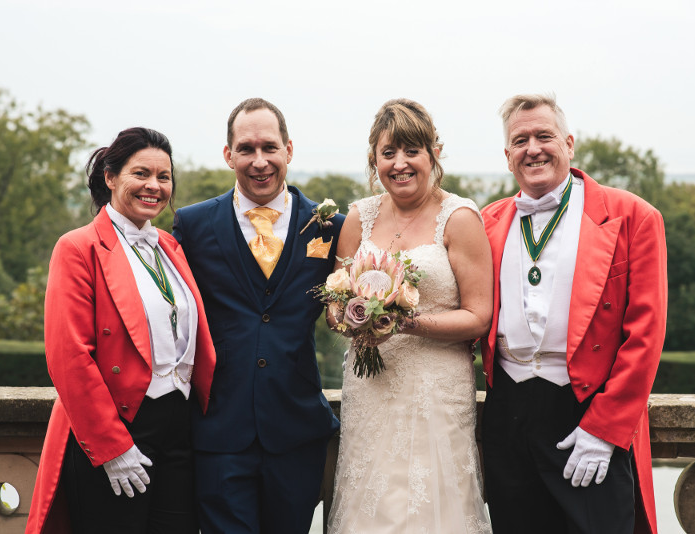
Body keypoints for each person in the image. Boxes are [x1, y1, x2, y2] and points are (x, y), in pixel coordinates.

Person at [480, 94, 667, 534]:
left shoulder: (634, 216)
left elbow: (646, 333)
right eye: (520, 140)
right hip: (507, 417)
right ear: (508, 157)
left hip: (586, 412)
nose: (533, 148)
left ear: (569, 144)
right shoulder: (487, 221)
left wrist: (605, 428)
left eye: (544, 136)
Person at [25, 128, 216, 534]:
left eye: (164, 177)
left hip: (177, 430)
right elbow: (69, 355)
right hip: (118, 428)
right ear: (110, 177)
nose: (154, 186)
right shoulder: (77, 248)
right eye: (141, 173)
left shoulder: (169, 245)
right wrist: (113, 449)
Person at [172, 98, 345, 534]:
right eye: (246, 149)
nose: (260, 161)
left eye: (270, 147)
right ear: (228, 154)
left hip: (296, 430)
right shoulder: (191, 225)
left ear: (289, 149)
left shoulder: (331, 227)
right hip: (219, 432)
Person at [326, 98, 494, 533]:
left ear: (433, 153)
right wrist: (350, 317)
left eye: (412, 151)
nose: (400, 163)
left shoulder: (458, 218)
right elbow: (333, 304)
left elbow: (478, 316)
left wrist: (403, 322)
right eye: (388, 153)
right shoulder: (358, 218)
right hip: (369, 389)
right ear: (374, 160)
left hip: (435, 391)